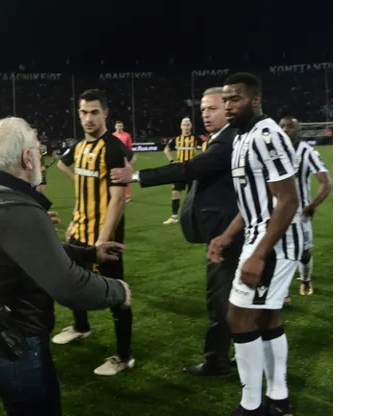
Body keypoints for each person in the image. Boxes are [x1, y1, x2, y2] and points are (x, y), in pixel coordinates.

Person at [0, 117, 131, 416]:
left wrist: (90, 253)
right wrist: (118, 290)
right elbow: (70, 287)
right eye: (38, 150)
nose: (40, 156)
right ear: (27, 158)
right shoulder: (19, 209)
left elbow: (32, 252)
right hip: (13, 344)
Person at [110, 87, 242, 378]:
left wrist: (136, 175)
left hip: (228, 233)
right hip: (228, 230)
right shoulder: (223, 138)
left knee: (220, 299)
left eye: (213, 108)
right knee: (235, 297)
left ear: (228, 109)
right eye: (203, 109)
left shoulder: (228, 140)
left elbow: (190, 168)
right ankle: (241, 353)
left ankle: (217, 362)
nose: (205, 114)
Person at [208, 73, 301, 416]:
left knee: (238, 317)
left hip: (273, 242)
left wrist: (259, 255)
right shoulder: (242, 137)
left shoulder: (266, 134)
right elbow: (254, 202)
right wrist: (227, 235)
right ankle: (278, 399)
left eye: (236, 99)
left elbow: (287, 200)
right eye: (225, 100)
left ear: (255, 100)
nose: (228, 106)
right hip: (259, 235)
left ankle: (252, 406)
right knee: (267, 319)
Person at [53, 89, 135, 376]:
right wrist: (74, 221)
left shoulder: (113, 148)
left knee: (117, 295)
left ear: (105, 114)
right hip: (80, 229)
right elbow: (82, 190)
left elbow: (118, 199)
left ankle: (124, 356)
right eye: (84, 112)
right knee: (72, 282)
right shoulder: (78, 147)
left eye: (94, 112)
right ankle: (81, 326)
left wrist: (104, 238)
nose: (89, 118)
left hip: (104, 235)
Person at [279, 116, 332, 298]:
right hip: (277, 211)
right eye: (282, 126)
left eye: (290, 127)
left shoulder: (307, 152)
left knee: (303, 252)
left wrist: (312, 205)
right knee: (277, 251)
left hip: (300, 213)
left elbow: (326, 182)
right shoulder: (273, 152)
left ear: (298, 130)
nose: (285, 130)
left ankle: (305, 279)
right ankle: (282, 290)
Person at [162, 117, 198, 224]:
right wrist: (172, 161)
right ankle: (174, 217)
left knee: (191, 195)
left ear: (191, 126)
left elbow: (207, 146)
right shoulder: (176, 139)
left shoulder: (195, 138)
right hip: (179, 169)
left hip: (192, 170)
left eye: (188, 125)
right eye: (184, 125)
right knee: (175, 192)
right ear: (181, 126)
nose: (186, 127)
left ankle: (191, 216)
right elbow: (166, 150)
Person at [112, 121, 136, 202]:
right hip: (115, 158)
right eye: (118, 126)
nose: (119, 127)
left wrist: (131, 157)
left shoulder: (127, 135)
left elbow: (129, 147)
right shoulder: (112, 135)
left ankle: (127, 195)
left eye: (121, 126)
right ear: (115, 127)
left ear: (122, 127)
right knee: (114, 175)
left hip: (125, 158)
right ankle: (116, 194)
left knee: (126, 175)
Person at [30, 124, 57, 193]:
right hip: (29, 174)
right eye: (32, 132)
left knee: (39, 194)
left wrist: (47, 166)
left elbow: (54, 155)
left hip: (40, 174)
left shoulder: (42, 146)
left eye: (35, 132)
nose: (34, 133)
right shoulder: (24, 145)